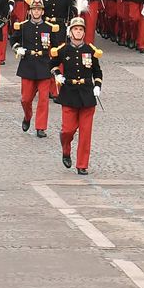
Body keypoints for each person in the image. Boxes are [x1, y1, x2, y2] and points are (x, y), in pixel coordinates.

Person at [52, 16, 101, 175]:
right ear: (70, 32)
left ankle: (82, 164)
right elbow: (51, 64)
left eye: (81, 29)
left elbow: (97, 71)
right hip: (69, 93)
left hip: (87, 94)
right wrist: (58, 74)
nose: (78, 32)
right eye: (75, 29)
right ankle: (66, 148)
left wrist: (98, 86)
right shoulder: (63, 50)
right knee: (68, 130)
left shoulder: (91, 51)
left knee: (86, 133)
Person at [12, 0, 62, 136]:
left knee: (43, 99)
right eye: (34, 9)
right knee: (26, 99)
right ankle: (27, 116)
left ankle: (41, 127)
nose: (36, 12)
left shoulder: (49, 27)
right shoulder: (23, 26)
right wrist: (17, 49)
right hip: (27, 65)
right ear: (30, 11)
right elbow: (13, 40)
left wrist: (55, 64)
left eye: (39, 9)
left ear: (42, 11)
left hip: (44, 65)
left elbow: (55, 47)